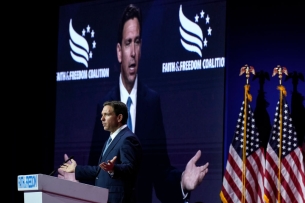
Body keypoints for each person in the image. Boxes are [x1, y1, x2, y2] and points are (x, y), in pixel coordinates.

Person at [60, 4, 209, 203]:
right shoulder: (104, 106)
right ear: (119, 51)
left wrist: (182, 182)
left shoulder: (152, 103)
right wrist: (77, 183)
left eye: (137, 42)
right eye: (128, 43)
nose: (132, 52)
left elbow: (161, 174)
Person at [59, 101, 142, 203]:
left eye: (106, 115)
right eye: (102, 115)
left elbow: (130, 168)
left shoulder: (128, 139)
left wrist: (113, 168)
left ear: (119, 117)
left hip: (118, 199)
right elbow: (100, 170)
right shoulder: (110, 139)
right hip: (104, 198)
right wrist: (76, 170)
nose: (102, 119)